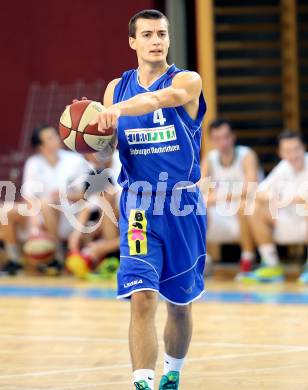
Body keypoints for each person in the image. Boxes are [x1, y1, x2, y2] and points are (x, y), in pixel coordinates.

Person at [88, 9, 206, 390]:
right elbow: (107, 150)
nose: (157, 40)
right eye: (148, 34)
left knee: (180, 304)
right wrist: (91, 140)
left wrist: (116, 111)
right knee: (142, 297)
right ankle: (142, 381)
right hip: (139, 205)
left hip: (182, 205)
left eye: (162, 33)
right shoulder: (114, 89)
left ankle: (172, 372)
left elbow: (162, 99)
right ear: (133, 42)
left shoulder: (187, 80)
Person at [0, 125, 89, 276]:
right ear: (41, 146)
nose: (56, 139)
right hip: (40, 213)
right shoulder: (33, 163)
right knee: (6, 210)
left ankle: (58, 256)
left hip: (69, 215)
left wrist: (64, 195)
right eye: (50, 138)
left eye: (55, 135)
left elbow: (85, 196)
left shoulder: (76, 160)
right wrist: (34, 220)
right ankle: (14, 260)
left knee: (46, 203)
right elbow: (28, 197)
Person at [242, 131, 308, 283]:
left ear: (303, 147)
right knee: (251, 207)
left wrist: (286, 199)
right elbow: (257, 193)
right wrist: (271, 197)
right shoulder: (283, 167)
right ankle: (271, 264)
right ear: (280, 152)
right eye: (287, 151)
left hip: (304, 220)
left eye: (296, 149)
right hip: (288, 221)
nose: (292, 155)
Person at [201, 119, 261, 275]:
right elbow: (201, 193)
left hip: (248, 215)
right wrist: (228, 196)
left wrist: (219, 196)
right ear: (212, 140)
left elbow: (250, 189)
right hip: (221, 213)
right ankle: (203, 259)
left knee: (244, 205)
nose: (223, 142)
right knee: (196, 208)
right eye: (217, 138)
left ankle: (248, 259)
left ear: (233, 137)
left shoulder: (246, 155)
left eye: (226, 137)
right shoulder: (210, 158)